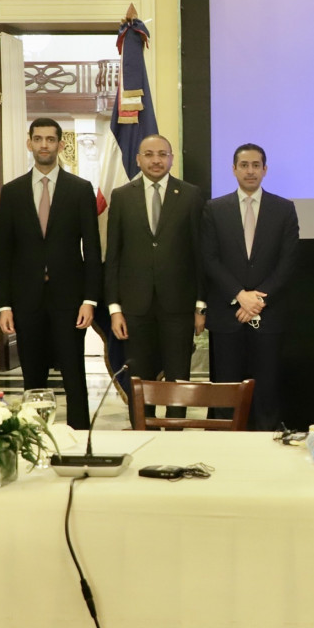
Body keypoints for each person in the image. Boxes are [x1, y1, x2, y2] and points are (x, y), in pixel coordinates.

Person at [0, 118, 102, 430]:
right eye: (38, 139)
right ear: (29, 143)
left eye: (50, 139)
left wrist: (90, 300)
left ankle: (80, 434)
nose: (44, 145)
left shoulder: (80, 189)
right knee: (33, 376)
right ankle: (35, 436)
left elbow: (92, 249)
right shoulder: (12, 192)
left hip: (69, 300)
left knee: (73, 373)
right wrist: (4, 305)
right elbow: (3, 253)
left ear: (60, 144)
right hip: (26, 300)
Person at [104, 135, 206, 419]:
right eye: (149, 154)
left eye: (162, 154)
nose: (156, 160)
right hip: (135, 307)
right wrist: (114, 308)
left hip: (179, 306)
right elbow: (113, 257)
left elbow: (200, 254)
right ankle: (142, 429)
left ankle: (175, 432)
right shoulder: (122, 196)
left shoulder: (191, 195)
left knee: (178, 379)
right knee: (140, 380)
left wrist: (200, 305)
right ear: (138, 159)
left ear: (171, 158)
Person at [202, 143, 299, 431]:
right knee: (227, 393)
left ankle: (267, 447)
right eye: (244, 165)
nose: (250, 171)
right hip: (227, 315)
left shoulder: (284, 209)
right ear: (234, 169)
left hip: (268, 316)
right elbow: (209, 258)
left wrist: (257, 301)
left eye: (256, 165)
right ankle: (226, 449)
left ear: (265, 170)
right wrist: (239, 295)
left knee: (266, 392)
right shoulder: (214, 209)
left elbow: (288, 262)